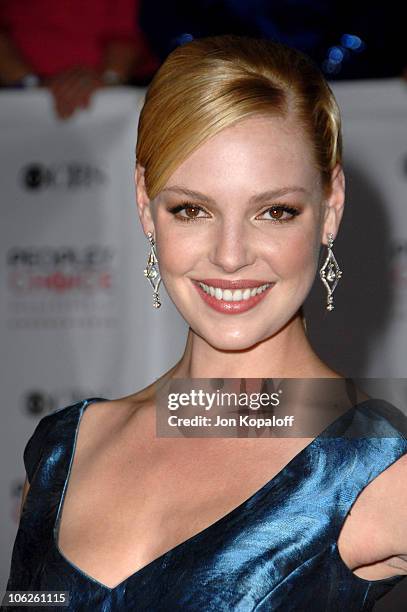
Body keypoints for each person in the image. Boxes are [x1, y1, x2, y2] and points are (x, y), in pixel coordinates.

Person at [3, 35, 407, 611]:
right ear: (145, 203)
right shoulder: (63, 450)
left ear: (331, 205)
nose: (231, 254)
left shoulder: (372, 465)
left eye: (275, 211)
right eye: (192, 209)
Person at [0, 0, 159, 119]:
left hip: (111, 99)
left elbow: (127, 30)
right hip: (15, 97)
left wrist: (109, 79)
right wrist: (30, 84)